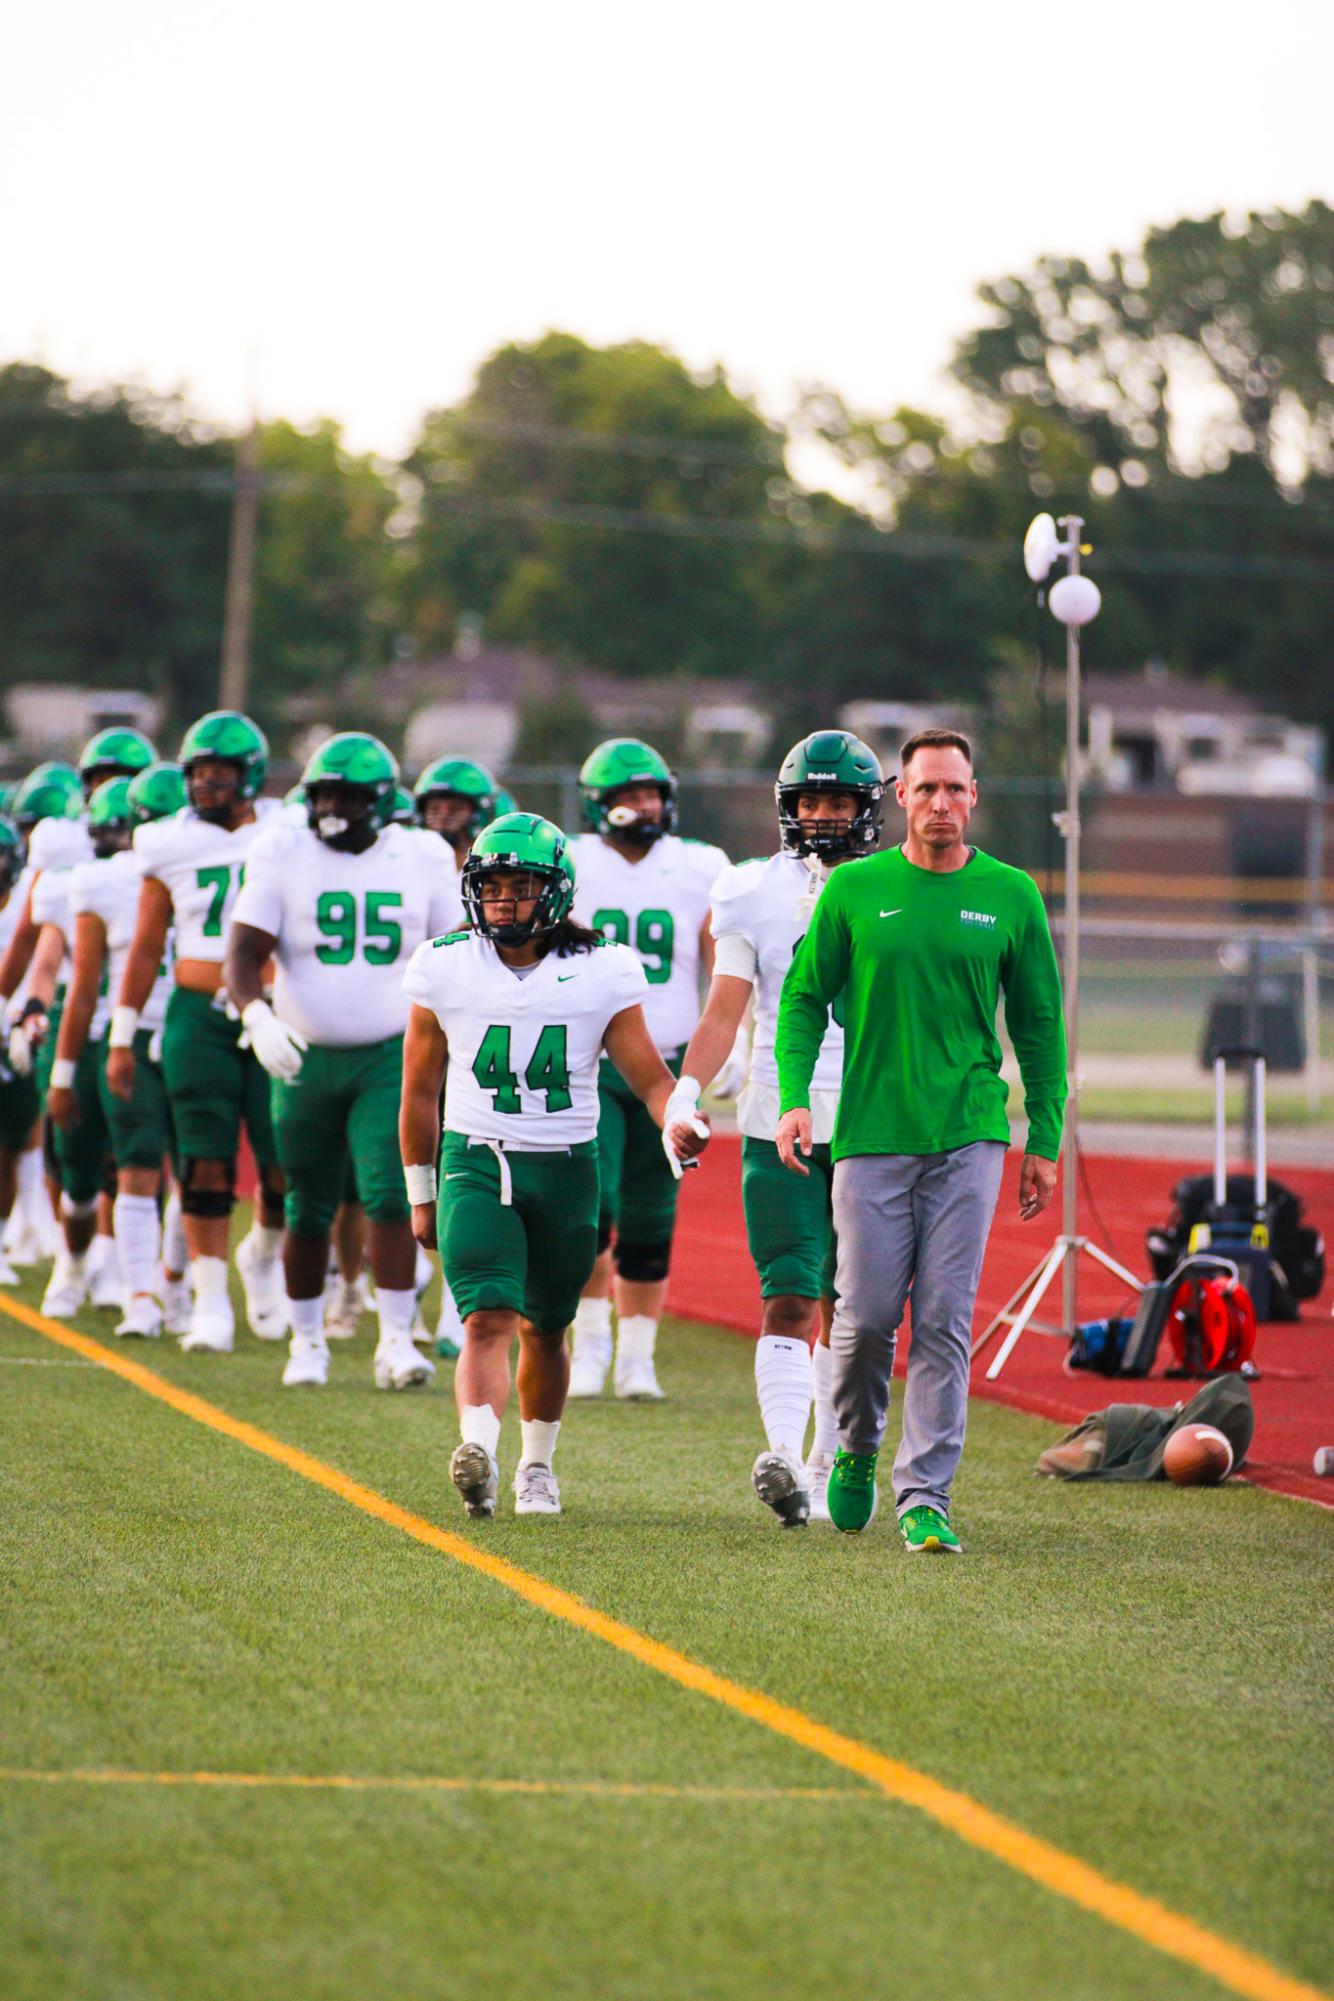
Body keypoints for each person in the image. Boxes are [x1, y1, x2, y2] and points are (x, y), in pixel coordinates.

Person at [773, 728, 1066, 1550]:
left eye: (956, 789)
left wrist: (1043, 1135)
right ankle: (859, 1448)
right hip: (868, 1134)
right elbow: (801, 1001)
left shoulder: (1012, 895)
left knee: (943, 1318)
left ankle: (925, 1495)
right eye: (926, 788)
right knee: (864, 1318)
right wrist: (795, 1100)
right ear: (900, 797)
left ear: (975, 798)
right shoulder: (856, 890)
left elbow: (1039, 1024)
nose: (941, 803)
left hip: (970, 1133)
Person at [400, 812, 702, 1520]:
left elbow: (651, 1078)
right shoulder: (443, 962)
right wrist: (421, 1191)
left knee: (547, 1325)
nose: (504, 899)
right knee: (487, 1315)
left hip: (569, 1165)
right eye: (493, 884)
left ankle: (537, 1465)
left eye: (521, 884)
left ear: (557, 890)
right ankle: (479, 1450)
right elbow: (418, 1091)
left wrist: (678, 1118)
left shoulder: (604, 966)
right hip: (476, 1157)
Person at [666, 730, 885, 1526]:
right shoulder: (750, 890)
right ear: (788, 807)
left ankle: (830, 1460)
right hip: (777, 1117)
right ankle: (787, 1459)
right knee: (790, 1294)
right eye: (810, 801)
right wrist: (687, 1090)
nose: (823, 815)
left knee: (856, 1307)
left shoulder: (899, 886)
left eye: (838, 802)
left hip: (873, 1119)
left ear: (867, 809)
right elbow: (726, 1007)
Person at [226, 731, 462, 1390]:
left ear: (381, 801)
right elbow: (243, 952)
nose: (334, 805)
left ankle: (394, 1339)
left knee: (392, 1194)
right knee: (307, 1203)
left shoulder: (421, 855)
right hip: (302, 1052)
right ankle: (306, 1342)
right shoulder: (282, 847)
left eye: (349, 795)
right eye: (325, 791)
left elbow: (453, 948)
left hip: (391, 1051)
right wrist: (256, 1012)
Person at [107, 709, 285, 1353]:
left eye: (220, 773)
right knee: (203, 1162)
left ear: (251, 775)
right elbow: (147, 943)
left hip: (273, 1008)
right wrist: (123, 1034)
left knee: (284, 1163)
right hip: (195, 1013)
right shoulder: (167, 840)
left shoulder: (287, 831)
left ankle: (261, 1258)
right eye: (199, 773)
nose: (207, 785)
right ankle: (210, 1302)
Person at [566, 738, 728, 1401]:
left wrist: (738, 1043)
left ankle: (637, 1355)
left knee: (652, 1216)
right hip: (589, 1062)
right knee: (590, 1210)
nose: (646, 804)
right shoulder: (572, 862)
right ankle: (590, 1344)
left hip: (668, 1069)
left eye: (653, 792)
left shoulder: (699, 865)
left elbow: (723, 957)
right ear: (600, 803)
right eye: (630, 794)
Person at [47, 769, 184, 1336]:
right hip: (124, 1034)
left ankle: (167, 1290)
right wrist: (62, 1070)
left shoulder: (227, 865)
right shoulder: (98, 882)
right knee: (121, 1165)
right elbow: (81, 986)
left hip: (197, 1033)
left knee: (195, 1163)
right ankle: (120, 1285)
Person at [413, 757, 498, 874]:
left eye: (455, 809)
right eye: (434, 810)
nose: (443, 817)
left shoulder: (493, 871)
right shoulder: (405, 864)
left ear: (478, 813)